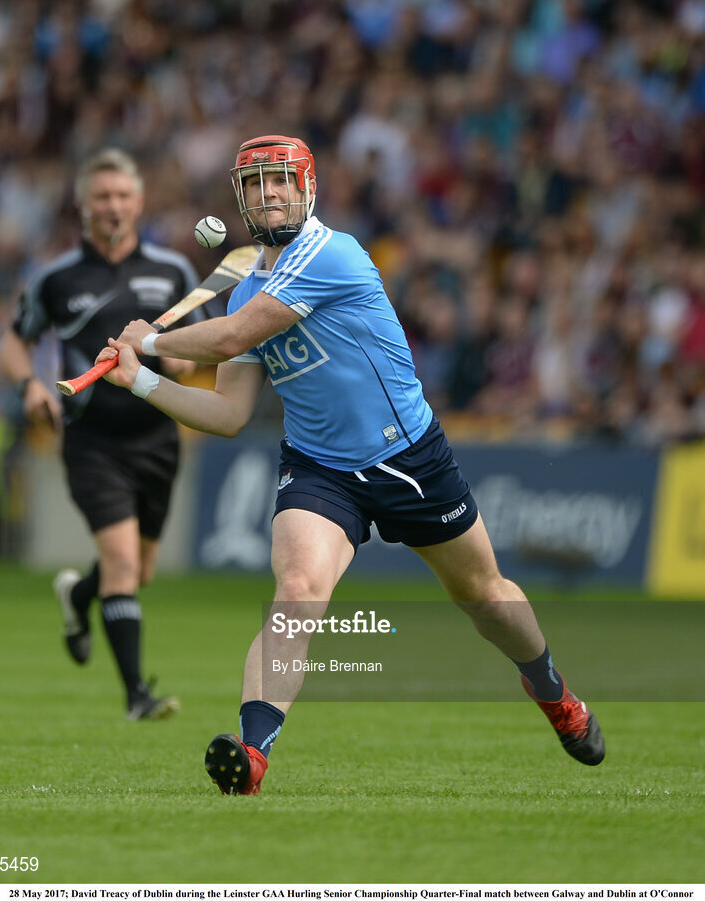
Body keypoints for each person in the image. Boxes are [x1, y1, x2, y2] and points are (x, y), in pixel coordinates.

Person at [96, 135, 605, 788]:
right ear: (242, 199)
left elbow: (232, 336)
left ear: (307, 189)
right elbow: (226, 414)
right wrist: (139, 382)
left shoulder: (332, 255)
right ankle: (252, 754)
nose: (270, 193)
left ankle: (554, 693)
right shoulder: (240, 287)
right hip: (318, 468)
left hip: (408, 457)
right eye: (256, 184)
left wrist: (153, 340)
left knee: (483, 597)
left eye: (282, 180)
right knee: (299, 590)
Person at [0, 147, 203, 721]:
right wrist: (29, 387)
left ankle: (77, 597)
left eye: (122, 196)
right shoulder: (56, 279)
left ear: (138, 203)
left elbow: (193, 343)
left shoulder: (175, 272)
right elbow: (13, 343)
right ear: (82, 207)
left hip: (158, 437)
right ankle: (138, 695)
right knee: (119, 561)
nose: (113, 206)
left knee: (139, 572)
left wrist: (184, 364)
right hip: (92, 441)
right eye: (101, 197)